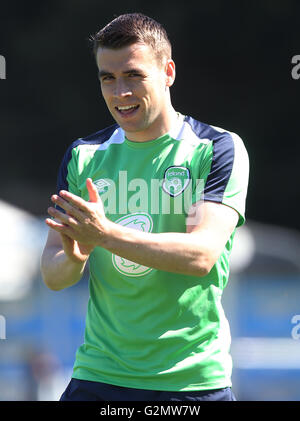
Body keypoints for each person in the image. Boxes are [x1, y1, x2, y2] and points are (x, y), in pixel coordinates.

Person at [40, 12, 249, 401]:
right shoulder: (84, 156)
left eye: (134, 76)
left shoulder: (217, 148)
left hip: (190, 382)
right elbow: (55, 275)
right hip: (98, 375)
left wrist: (104, 234)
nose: (120, 92)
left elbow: (201, 255)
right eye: (108, 78)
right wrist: (74, 255)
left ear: (168, 72)